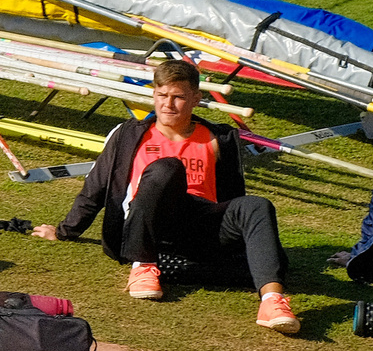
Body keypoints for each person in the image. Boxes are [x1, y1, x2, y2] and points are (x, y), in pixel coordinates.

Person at [32, 58, 298, 333]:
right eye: (162, 96)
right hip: (146, 225)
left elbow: (232, 195)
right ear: (153, 95)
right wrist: (65, 231)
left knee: (256, 205)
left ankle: (271, 300)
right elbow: (95, 188)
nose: (168, 104)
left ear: (196, 98)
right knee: (166, 169)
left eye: (178, 97)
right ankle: (144, 264)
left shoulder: (218, 138)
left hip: (199, 223)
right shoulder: (129, 134)